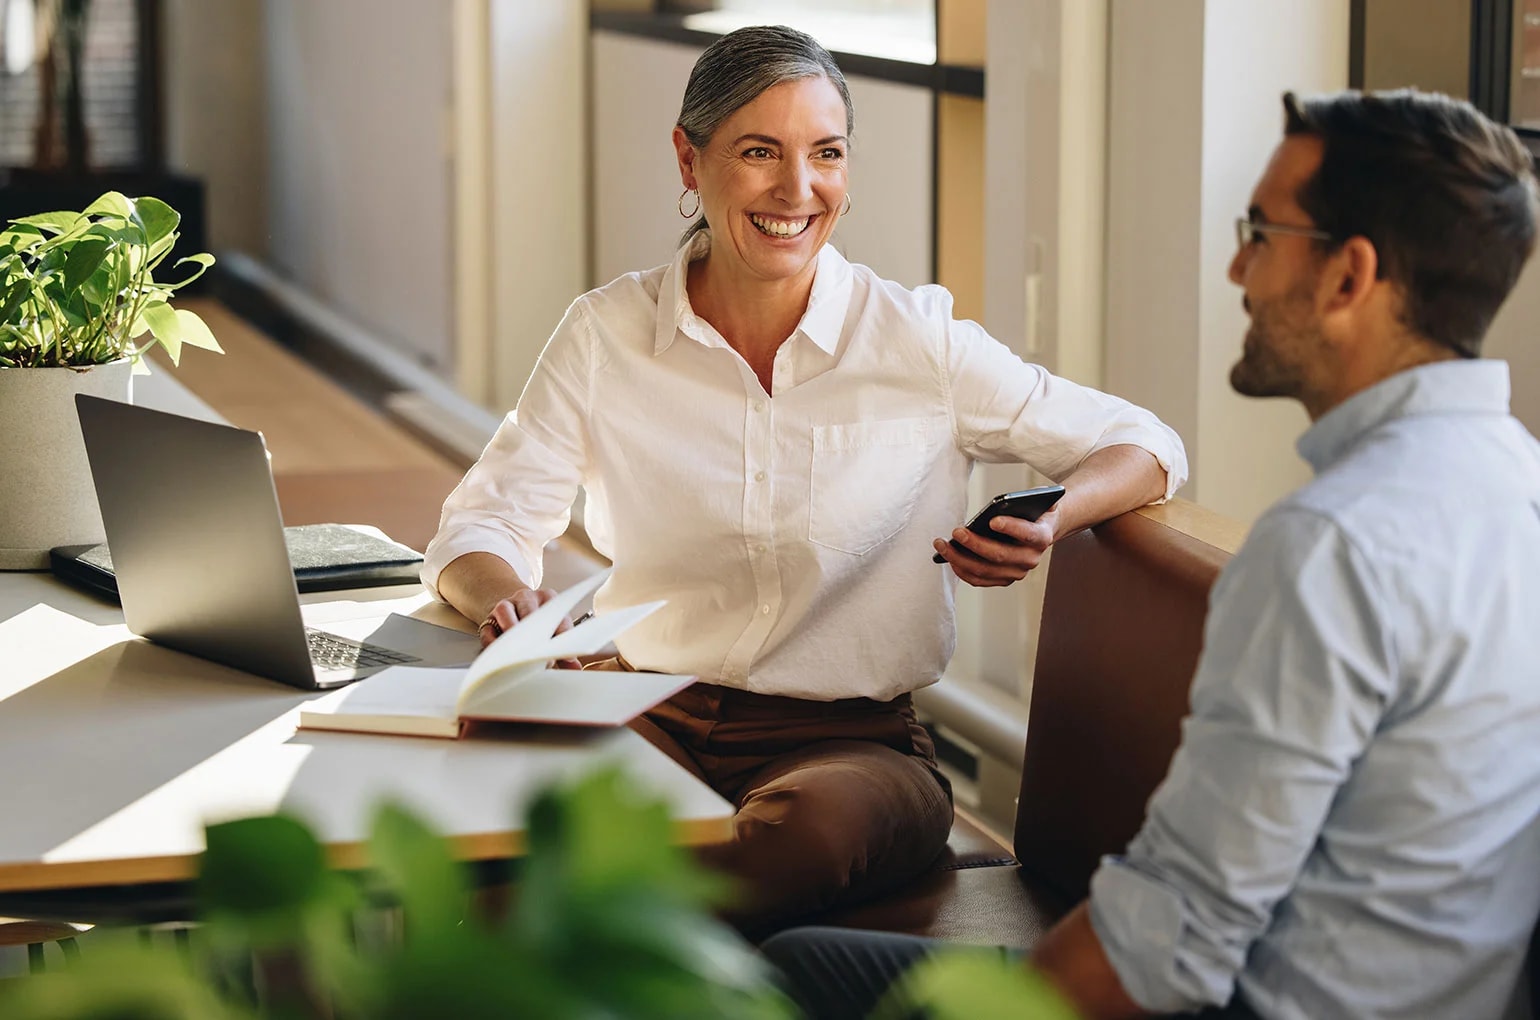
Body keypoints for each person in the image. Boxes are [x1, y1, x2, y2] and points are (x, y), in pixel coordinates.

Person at [761, 88, 1540, 1017]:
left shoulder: (1331, 550)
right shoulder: (1517, 486)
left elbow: (1168, 943)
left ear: (1347, 278)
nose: (1236, 267)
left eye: (1262, 230)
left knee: (788, 970)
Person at [422, 24, 1186, 934]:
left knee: (805, 838)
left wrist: (1053, 519)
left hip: (851, 748)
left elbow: (1145, 443)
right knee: (476, 784)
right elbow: (482, 523)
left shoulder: (918, 343)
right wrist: (505, 597)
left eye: (826, 154)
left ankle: (574, 942)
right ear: (688, 158)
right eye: (758, 153)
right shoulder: (604, 335)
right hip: (642, 704)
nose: (797, 189)